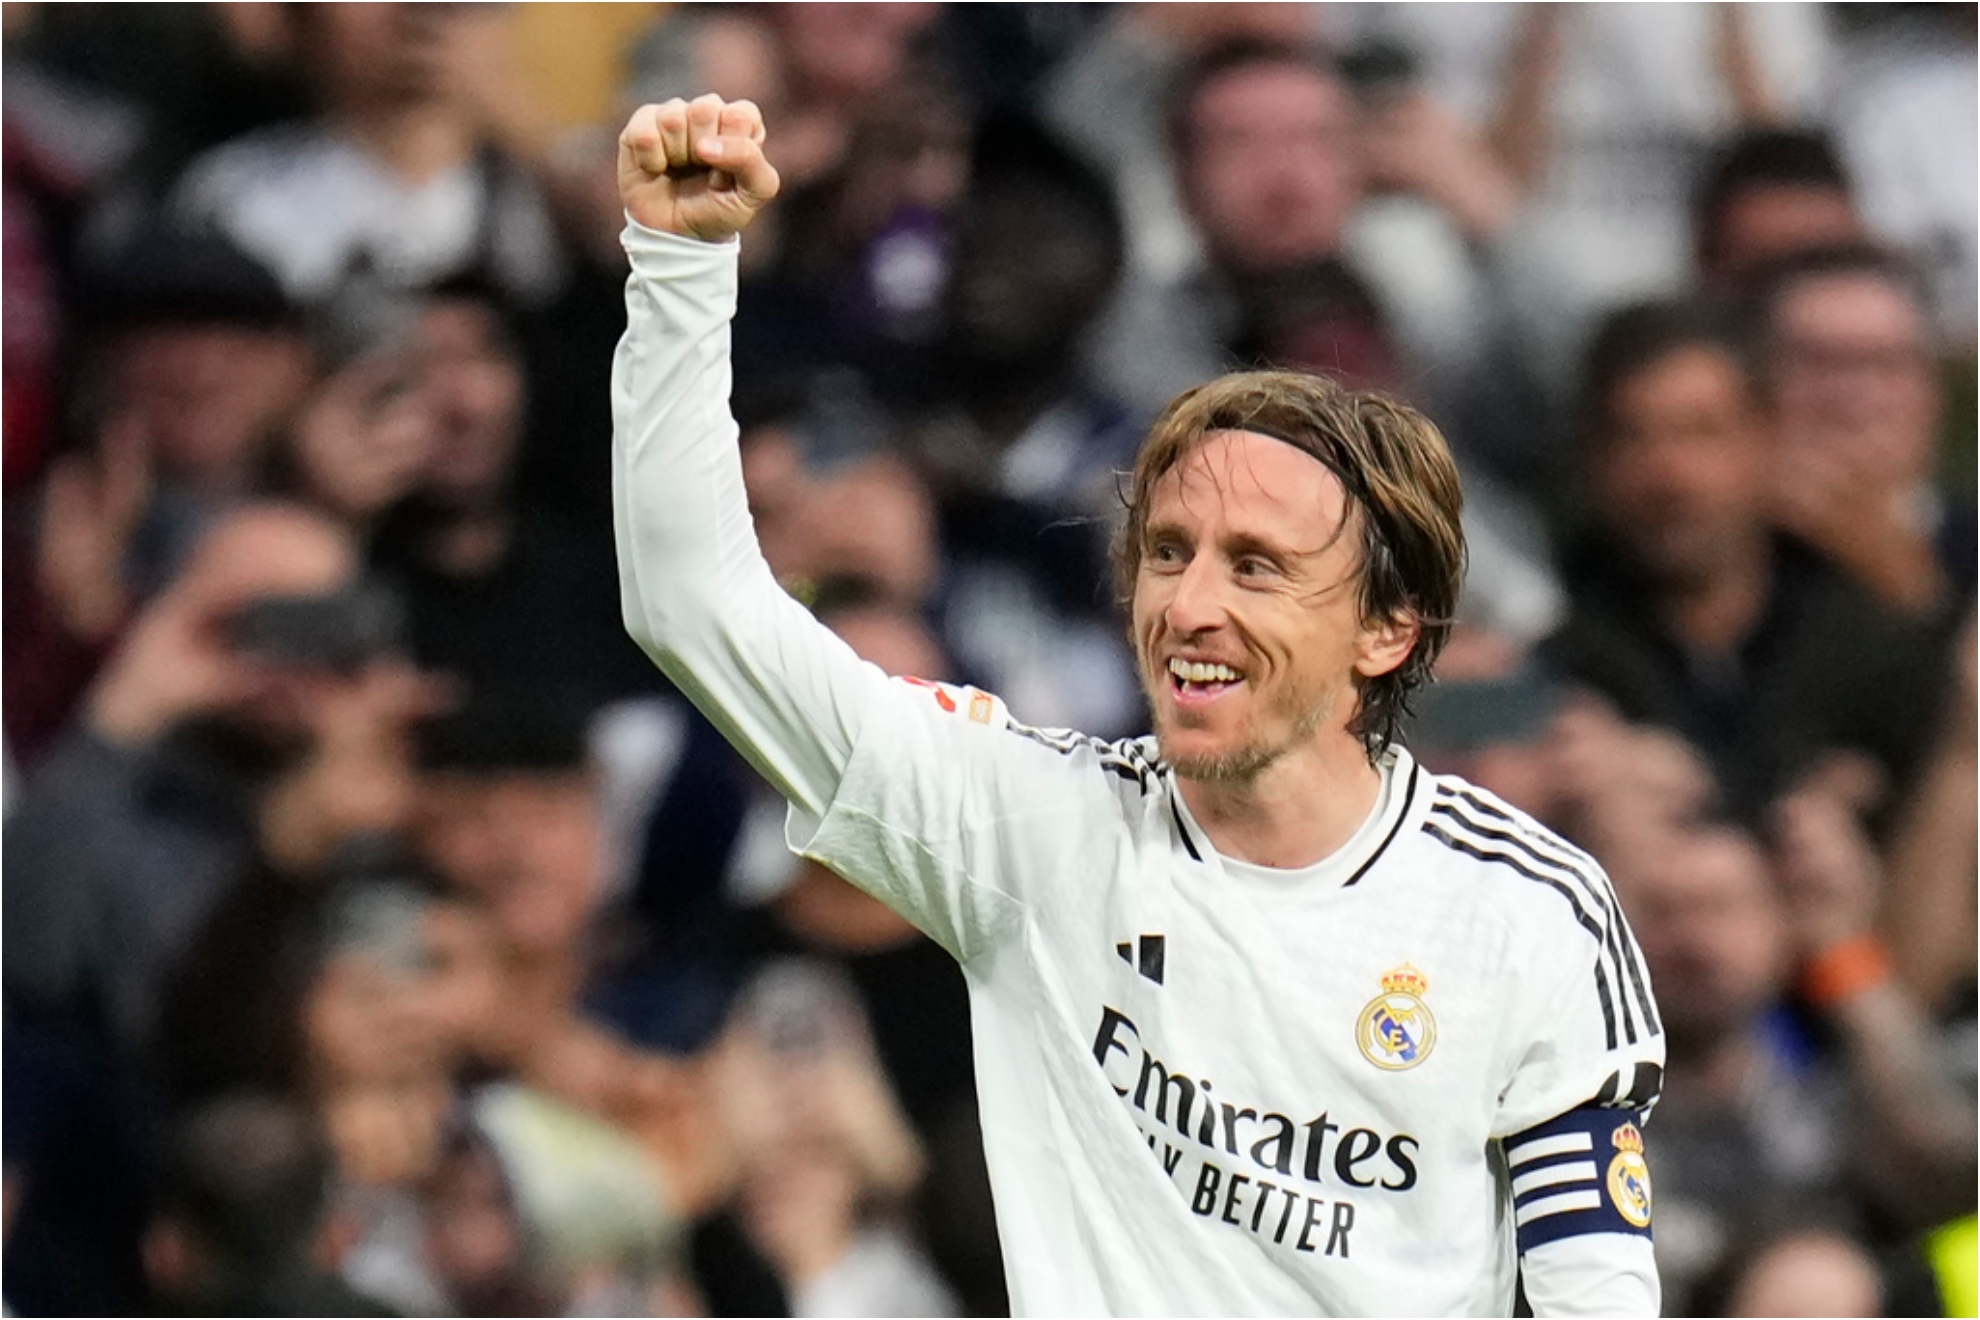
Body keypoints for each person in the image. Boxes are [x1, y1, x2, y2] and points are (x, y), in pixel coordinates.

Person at [611, 95, 1663, 1315]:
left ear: (1389, 630)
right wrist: (682, 269)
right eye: (1169, 553)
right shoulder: (1032, 830)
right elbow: (694, 605)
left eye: (1257, 567)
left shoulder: (1529, 914)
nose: (1190, 605)